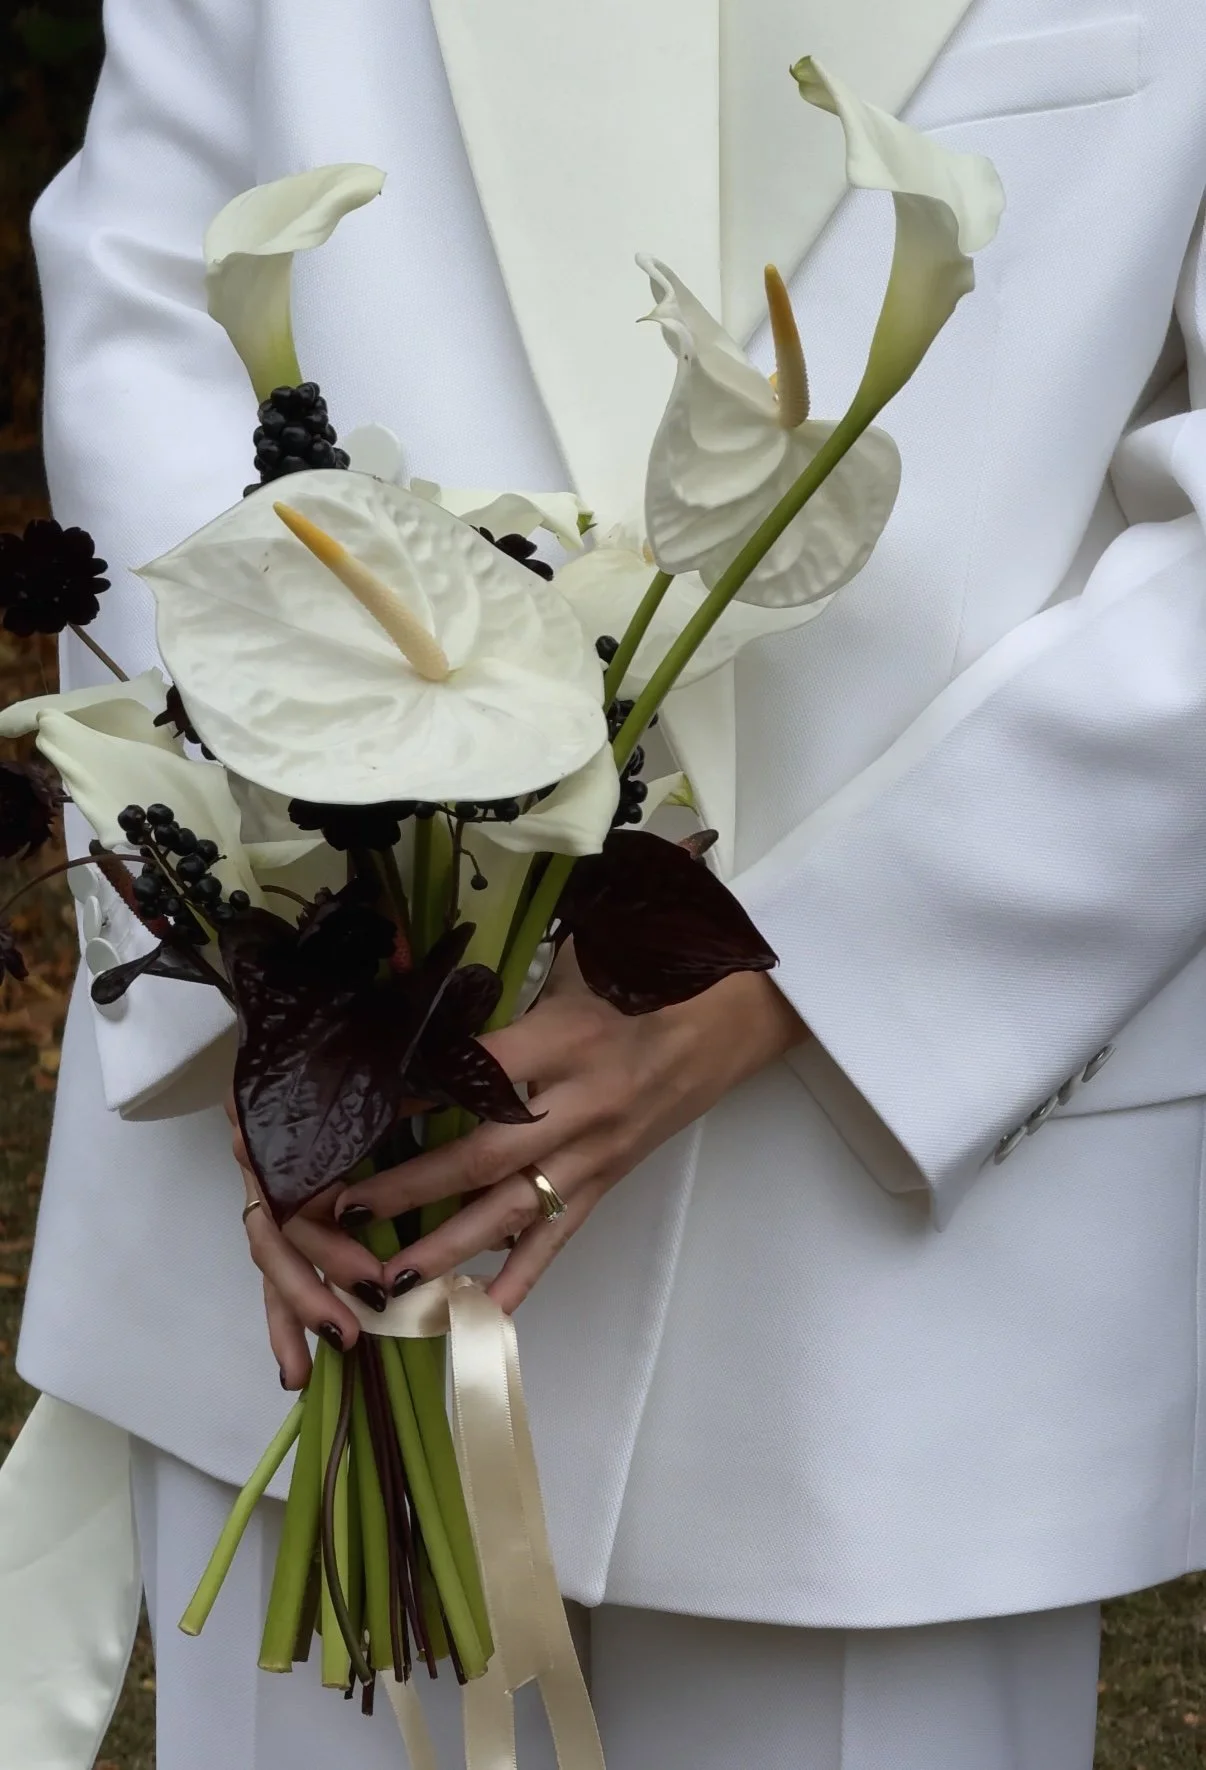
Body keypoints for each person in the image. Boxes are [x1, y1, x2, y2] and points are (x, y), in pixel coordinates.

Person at [13, 0, 1206, 1765]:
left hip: (873, 1284)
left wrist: (812, 970)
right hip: (308, 1225)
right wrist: (281, 961)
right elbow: (145, 318)